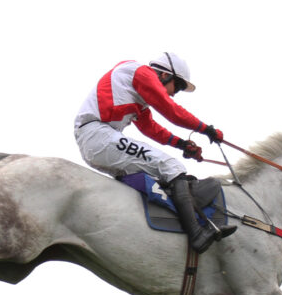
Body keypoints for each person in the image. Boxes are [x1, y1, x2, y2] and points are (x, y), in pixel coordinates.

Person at [73, 52, 236, 254]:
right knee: (172, 167)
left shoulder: (136, 89)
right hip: (99, 136)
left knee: (163, 175)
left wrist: (182, 144)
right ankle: (196, 234)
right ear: (165, 75)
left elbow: (149, 127)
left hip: (98, 139)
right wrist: (206, 129)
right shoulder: (142, 73)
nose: (174, 93)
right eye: (177, 86)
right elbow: (171, 111)